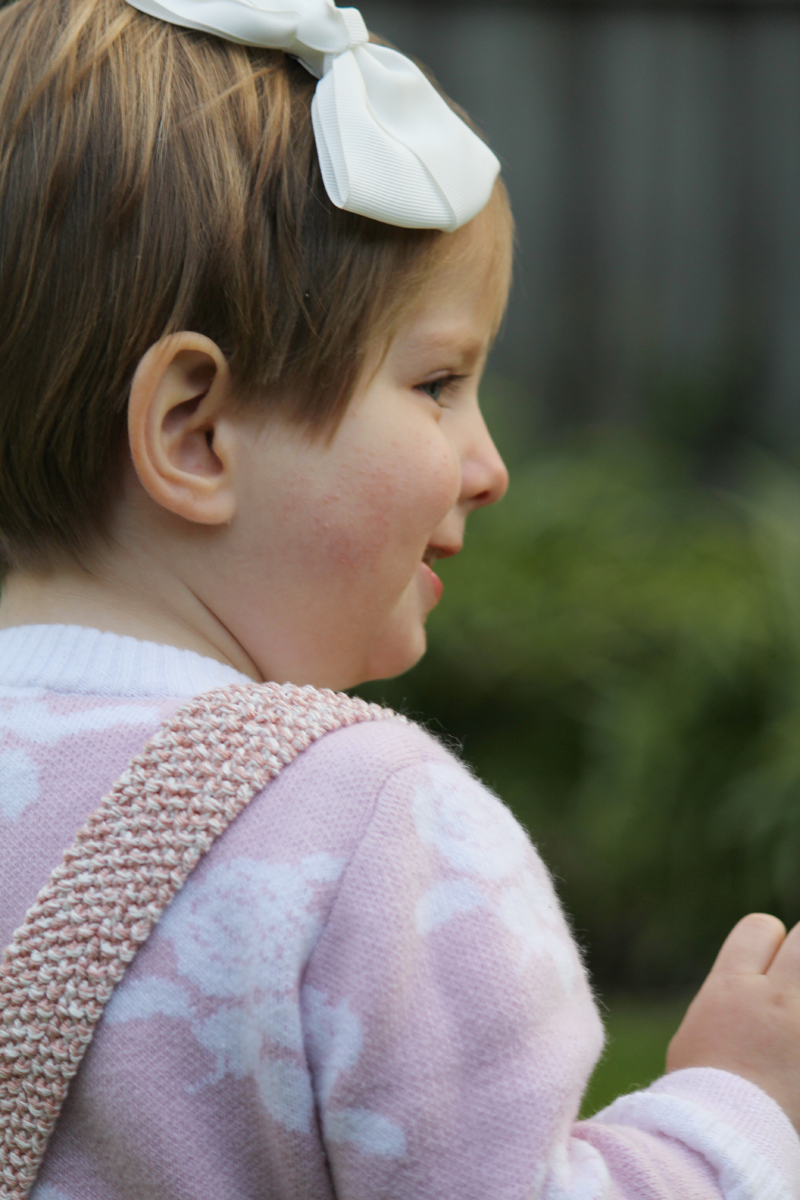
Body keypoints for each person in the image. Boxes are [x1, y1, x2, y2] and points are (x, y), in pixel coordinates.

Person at [0, 0, 798, 1195]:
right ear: (196, 432)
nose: (488, 465)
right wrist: (734, 1112)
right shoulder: (364, 829)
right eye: (435, 383)